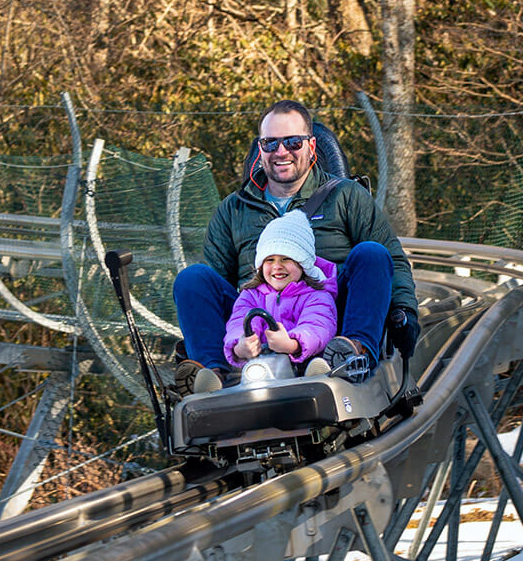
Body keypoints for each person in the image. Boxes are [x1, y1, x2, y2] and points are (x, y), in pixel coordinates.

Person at [173, 99, 420, 393]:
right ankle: (211, 374)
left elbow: (392, 259)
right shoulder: (233, 210)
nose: (281, 152)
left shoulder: (346, 197)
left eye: (292, 142)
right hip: (258, 317)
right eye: (270, 143)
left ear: (312, 146)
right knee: (192, 279)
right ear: (260, 148)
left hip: (326, 314)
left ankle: (352, 352)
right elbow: (216, 285)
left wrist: (405, 311)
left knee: (372, 254)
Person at [192, 209, 339, 393]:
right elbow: (238, 320)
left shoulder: (316, 295)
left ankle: (316, 377)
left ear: (303, 263)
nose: (277, 266)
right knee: (243, 358)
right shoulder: (251, 295)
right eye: (270, 260)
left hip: (298, 364)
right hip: (260, 368)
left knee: (315, 361)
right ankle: (212, 387)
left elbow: (318, 325)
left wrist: (292, 344)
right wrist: (240, 345)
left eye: (286, 259)